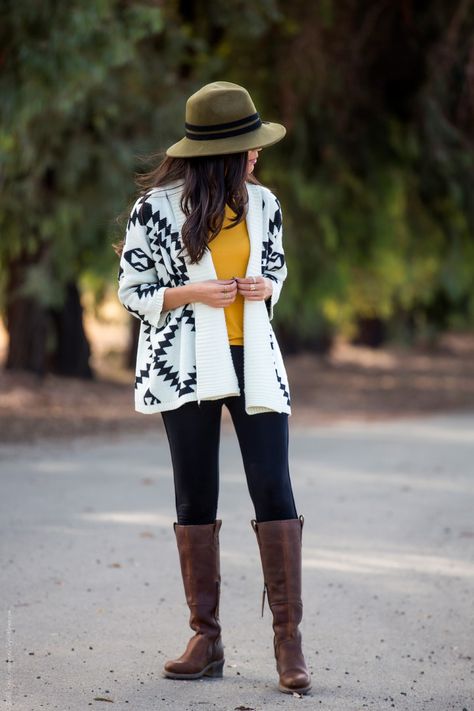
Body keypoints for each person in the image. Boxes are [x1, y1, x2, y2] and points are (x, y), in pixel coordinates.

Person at [116, 81, 311, 695]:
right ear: (223, 153)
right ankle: (207, 638)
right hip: (186, 362)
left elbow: (275, 271)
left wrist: (264, 289)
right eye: (250, 148)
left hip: (252, 357)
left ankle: (289, 641)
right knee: (193, 496)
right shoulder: (156, 209)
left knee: (274, 488)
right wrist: (192, 293)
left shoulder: (265, 204)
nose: (258, 156)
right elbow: (132, 291)